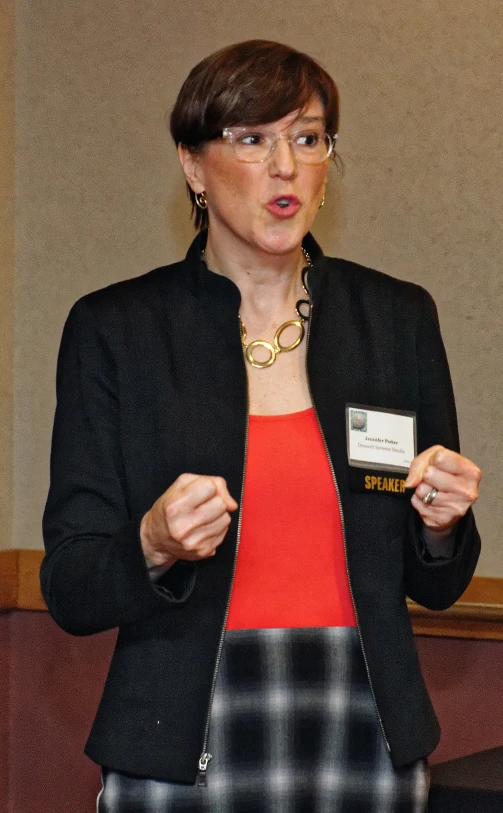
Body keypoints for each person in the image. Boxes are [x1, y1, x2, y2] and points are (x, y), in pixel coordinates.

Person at [41, 40, 481, 812]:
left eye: (307, 138)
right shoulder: (117, 329)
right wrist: (152, 543)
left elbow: (438, 582)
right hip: (182, 728)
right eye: (251, 139)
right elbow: (71, 589)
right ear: (192, 164)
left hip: (364, 721)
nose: (286, 166)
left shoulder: (395, 318)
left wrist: (443, 524)